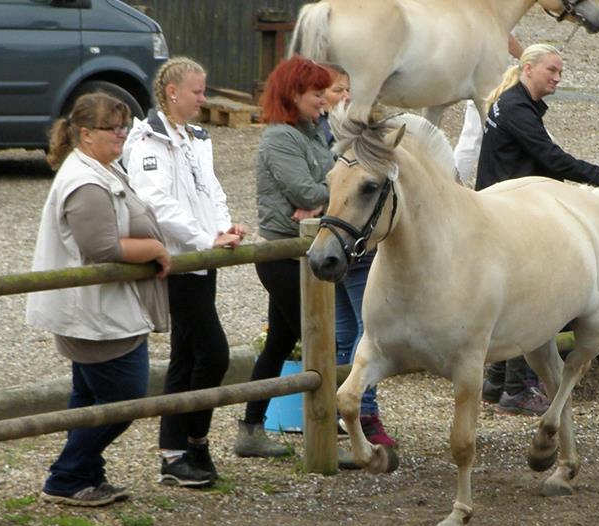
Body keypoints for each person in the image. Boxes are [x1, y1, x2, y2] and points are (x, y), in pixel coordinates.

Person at [475, 43, 599, 415]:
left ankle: (498, 381)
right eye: (552, 70)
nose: (558, 77)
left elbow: (539, 157)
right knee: (529, 295)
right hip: (511, 212)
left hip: (502, 203)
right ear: (528, 68)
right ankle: (518, 388)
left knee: (510, 294)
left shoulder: (512, 104)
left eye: (560, 71)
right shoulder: (517, 108)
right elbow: (549, 156)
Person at [27, 92, 171, 505]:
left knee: (88, 398)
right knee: (125, 398)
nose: (122, 135)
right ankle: (66, 474)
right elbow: (102, 248)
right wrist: (156, 251)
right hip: (96, 312)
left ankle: (84, 475)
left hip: (101, 308)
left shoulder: (99, 169)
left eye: (124, 127)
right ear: (85, 134)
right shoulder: (86, 181)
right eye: (114, 128)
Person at [124, 57, 247, 487]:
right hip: (177, 261)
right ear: (172, 92)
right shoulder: (147, 141)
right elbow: (156, 202)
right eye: (197, 91)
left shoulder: (196, 137)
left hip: (201, 258)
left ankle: (176, 452)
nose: (203, 98)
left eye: (204, 89)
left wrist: (223, 227)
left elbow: (210, 187)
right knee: (214, 353)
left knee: (188, 355)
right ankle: (194, 439)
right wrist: (202, 238)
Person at [228, 55, 339, 458]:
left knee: (280, 342)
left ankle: (251, 428)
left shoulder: (311, 134)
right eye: (317, 93)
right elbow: (308, 193)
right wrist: (326, 194)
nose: (324, 100)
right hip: (282, 255)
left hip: (307, 249)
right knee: (317, 342)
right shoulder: (280, 138)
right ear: (294, 94)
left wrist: (323, 194)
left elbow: (330, 182)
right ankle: (324, 435)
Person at [320, 64, 398, 455]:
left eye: (349, 90)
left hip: (351, 242)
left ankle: (349, 412)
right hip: (348, 243)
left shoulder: (355, 136)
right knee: (362, 333)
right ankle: (362, 412)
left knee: (350, 332)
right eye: (338, 90)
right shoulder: (333, 136)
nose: (345, 97)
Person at [453, 34, 524, 185]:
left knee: (471, 140)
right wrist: (530, 60)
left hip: (487, 77)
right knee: (472, 141)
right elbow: (507, 40)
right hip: (494, 81)